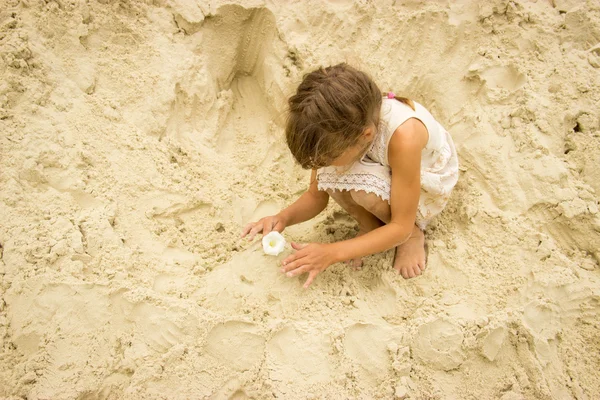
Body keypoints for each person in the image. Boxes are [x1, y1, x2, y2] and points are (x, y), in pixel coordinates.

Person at [241, 63, 459, 288]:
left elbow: (400, 226)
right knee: (334, 176)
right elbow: (316, 196)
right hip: (381, 162)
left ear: (365, 135)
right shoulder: (335, 129)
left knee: (362, 192)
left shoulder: (405, 135)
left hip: (421, 174)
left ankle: (415, 236)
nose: (322, 165)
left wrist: (332, 253)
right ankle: (371, 227)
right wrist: (283, 218)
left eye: (327, 157)